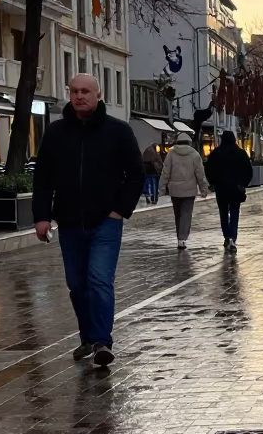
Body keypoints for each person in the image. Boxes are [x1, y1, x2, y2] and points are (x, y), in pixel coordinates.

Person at [32, 74, 142, 368]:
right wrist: (42, 216)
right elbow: (42, 178)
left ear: (98, 94)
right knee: (77, 284)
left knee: (98, 280)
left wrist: (119, 211)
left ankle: (102, 341)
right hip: (68, 222)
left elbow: (135, 175)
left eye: (85, 91)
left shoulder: (118, 131)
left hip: (106, 221)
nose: (79, 96)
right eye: (74, 91)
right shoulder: (56, 133)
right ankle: (88, 336)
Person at [205, 130, 254, 253]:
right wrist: (243, 184)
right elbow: (248, 171)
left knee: (223, 212)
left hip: (221, 188)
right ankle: (232, 236)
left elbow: (208, 169)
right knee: (234, 212)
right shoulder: (241, 153)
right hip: (235, 188)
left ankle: (226, 236)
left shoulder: (216, 153)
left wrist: (213, 183)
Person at [159, 132, 208, 249]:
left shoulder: (171, 154)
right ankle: (182, 239)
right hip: (189, 190)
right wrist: (203, 188)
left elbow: (165, 172)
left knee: (178, 214)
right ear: (189, 142)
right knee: (186, 214)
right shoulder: (194, 155)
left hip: (175, 190)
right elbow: (200, 173)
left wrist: (161, 188)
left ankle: (179, 238)